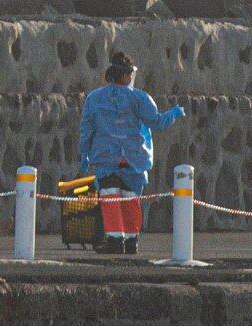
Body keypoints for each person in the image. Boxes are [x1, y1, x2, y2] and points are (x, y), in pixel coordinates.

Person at [78, 50, 187, 255]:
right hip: (133, 158)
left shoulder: (94, 98)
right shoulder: (139, 98)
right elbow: (156, 121)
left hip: (106, 157)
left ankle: (114, 240)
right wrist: (173, 114)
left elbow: (86, 129)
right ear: (128, 75)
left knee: (109, 198)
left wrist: (83, 155)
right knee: (131, 200)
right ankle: (131, 241)